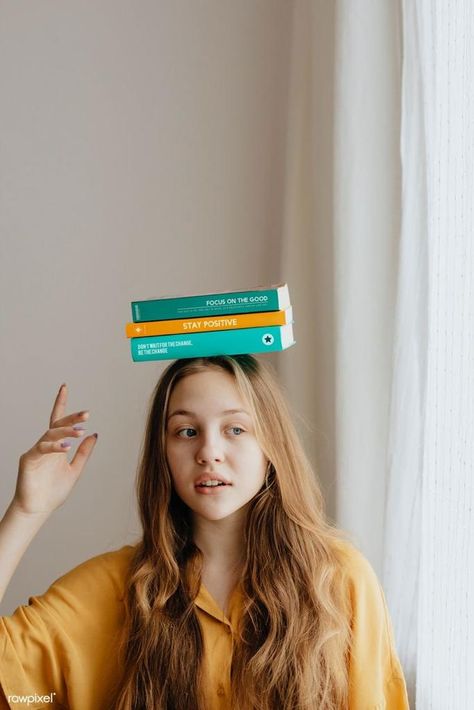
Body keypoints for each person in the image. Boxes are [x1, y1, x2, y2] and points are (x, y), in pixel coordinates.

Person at [0, 355, 409, 709]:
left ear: (272, 447)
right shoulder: (115, 587)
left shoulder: (339, 579)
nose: (208, 452)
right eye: (186, 431)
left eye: (235, 429)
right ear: (164, 453)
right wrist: (27, 510)